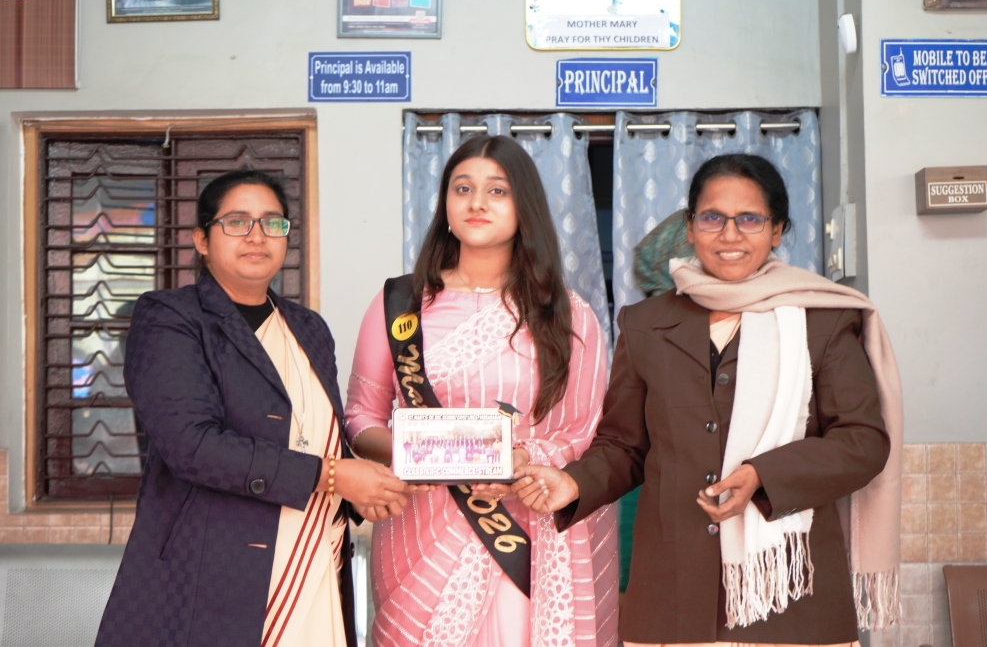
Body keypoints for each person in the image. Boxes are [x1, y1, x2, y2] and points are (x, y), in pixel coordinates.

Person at [514, 153, 903, 646]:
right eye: (713, 218)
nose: (730, 234)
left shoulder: (820, 319)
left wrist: (763, 475)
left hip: (790, 594)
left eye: (750, 219)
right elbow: (624, 446)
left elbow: (863, 442)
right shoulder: (646, 324)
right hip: (672, 595)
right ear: (691, 227)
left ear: (777, 230)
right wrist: (571, 483)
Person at [96, 169, 408, 647]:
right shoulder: (170, 318)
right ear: (202, 239)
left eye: (272, 222)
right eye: (237, 222)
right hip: (212, 575)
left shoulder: (308, 329)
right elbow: (192, 446)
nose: (257, 235)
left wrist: (367, 486)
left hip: (315, 557)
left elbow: (315, 433)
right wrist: (333, 477)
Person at [345, 135, 619, 647]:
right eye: (462, 188)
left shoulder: (567, 315)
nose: (477, 202)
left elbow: (587, 429)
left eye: (497, 190)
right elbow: (361, 418)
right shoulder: (399, 304)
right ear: (445, 205)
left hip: (525, 529)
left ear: (524, 206)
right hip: (418, 527)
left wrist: (520, 460)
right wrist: (421, 454)